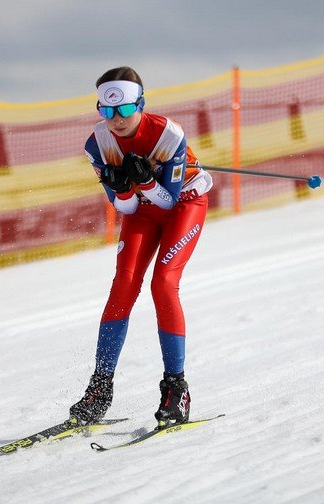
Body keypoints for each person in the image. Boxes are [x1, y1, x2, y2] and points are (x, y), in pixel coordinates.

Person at [70, 66, 213, 427]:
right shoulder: (97, 145)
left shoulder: (168, 134)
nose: (116, 119)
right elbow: (128, 208)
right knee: (123, 285)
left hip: (183, 205)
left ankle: (176, 389)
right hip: (142, 213)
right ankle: (100, 389)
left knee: (163, 283)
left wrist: (147, 182)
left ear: (140, 105)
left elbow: (168, 201)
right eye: (107, 110)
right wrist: (122, 189)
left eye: (124, 110)